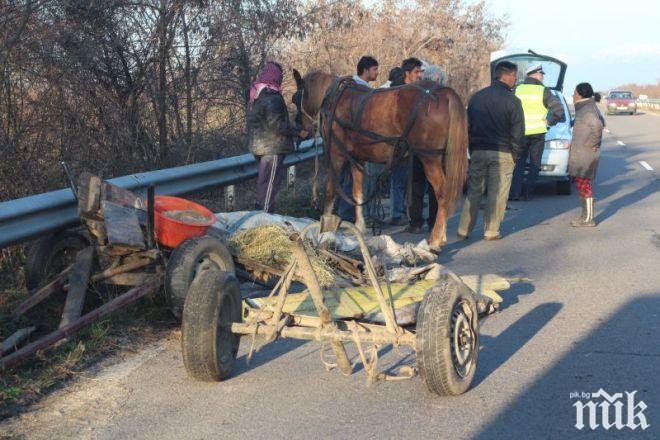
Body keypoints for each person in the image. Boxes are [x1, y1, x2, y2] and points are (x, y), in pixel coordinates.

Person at [457, 61, 524, 241]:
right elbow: (518, 132)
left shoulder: (477, 98)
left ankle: (464, 229)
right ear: (507, 75)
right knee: (498, 191)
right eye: (515, 76)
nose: (516, 79)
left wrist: (472, 149)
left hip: (478, 150)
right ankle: (491, 230)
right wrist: (515, 154)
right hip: (503, 153)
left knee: (474, 190)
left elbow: (468, 127)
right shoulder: (513, 101)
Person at [246, 61, 307, 212]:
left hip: (259, 147)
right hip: (272, 148)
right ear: (275, 77)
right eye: (279, 76)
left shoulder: (256, 94)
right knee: (270, 185)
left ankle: (260, 213)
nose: (280, 78)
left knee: (264, 183)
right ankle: (264, 218)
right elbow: (277, 125)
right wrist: (298, 132)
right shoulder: (273, 97)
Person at [509, 64, 566, 200]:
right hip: (538, 133)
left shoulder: (517, 89)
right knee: (535, 164)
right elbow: (559, 110)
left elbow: (507, 108)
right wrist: (549, 121)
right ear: (534, 75)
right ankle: (528, 194)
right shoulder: (544, 91)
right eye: (541, 74)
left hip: (520, 133)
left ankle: (515, 193)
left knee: (518, 163)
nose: (543, 77)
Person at [338, 56, 380, 222]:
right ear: (366, 70)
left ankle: (352, 215)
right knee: (350, 180)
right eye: (375, 69)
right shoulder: (355, 90)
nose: (377, 73)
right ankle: (347, 215)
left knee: (354, 180)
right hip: (352, 144)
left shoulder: (363, 89)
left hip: (360, 143)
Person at [568, 82, 603, 227]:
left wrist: (592, 143)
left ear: (580, 95)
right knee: (582, 183)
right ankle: (585, 216)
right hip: (582, 151)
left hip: (585, 153)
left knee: (584, 184)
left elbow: (598, 126)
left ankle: (588, 219)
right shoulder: (585, 107)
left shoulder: (587, 110)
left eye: (574, 93)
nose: (573, 95)